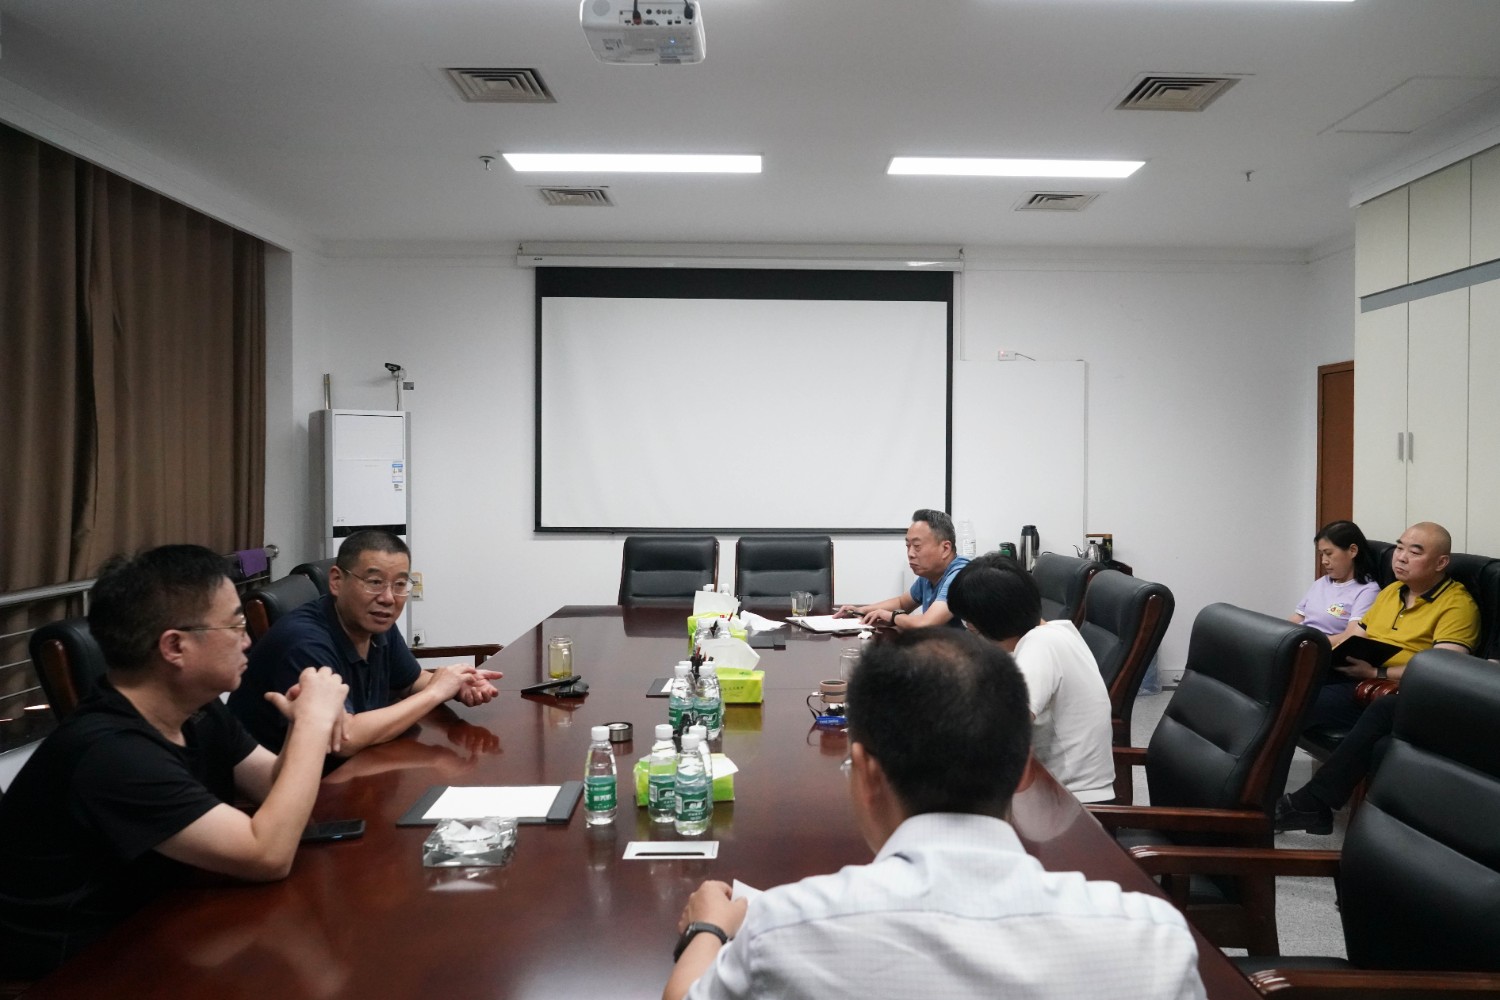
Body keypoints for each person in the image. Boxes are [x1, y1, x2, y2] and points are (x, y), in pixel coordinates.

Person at [662, 630, 1205, 1000]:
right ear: (1023, 769)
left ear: (866, 774)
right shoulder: (1154, 942)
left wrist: (710, 928)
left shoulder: (783, 931)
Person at [0, 545, 350, 978]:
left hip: (167, 921)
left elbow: (272, 787)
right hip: (77, 967)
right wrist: (315, 722)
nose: (247, 641)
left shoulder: (198, 709)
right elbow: (267, 855)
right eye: (235, 625)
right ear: (175, 646)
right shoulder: (111, 753)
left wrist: (301, 727)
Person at [1277, 521, 1480, 834]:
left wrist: (1377, 672)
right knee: (1282, 687)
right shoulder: (1391, 592)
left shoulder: (1457, 605)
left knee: (1298, 706)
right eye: (1399, 547)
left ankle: (1307, 804)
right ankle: (1249, 789)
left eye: (1415, 552)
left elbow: (1443, 670)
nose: (1401, 557)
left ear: (1441, 562)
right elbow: (1357, 635)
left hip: (1398, 693)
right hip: (1358, 678)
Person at [228, 530, 501, 762]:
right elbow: (343, 738)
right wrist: (435, 693)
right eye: (374, 582)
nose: (388, 598)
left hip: (359, 767)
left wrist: (456, 685)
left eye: (400, 584)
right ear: (337, 581)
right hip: (287, 787)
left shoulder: (375, 621)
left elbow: (409, 682)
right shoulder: (303, 642)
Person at [947, 552, 1116, 802]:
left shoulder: (1041, 645)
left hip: (1073, 804)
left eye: (972, 628)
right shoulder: (1056, 630)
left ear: (993, 625)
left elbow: (999, 732)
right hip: (1052, 791)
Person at [836, 509, 969, 629]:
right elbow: (902, 603)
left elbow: (926, 623)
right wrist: (862, 610)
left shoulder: (960, 575)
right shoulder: (930, 574)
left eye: (917, 546)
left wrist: (893, 617)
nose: (910, 554)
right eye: (908, 546)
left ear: (945, 549)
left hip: (965, 648)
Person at [1290, 520, 1380, 636]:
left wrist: (1312, 643)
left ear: (1352, 551)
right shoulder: (1321, 583)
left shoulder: (1368, 591)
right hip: (1302, 641)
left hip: (1326, 645)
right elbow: (1297, 618)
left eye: (1329, 553)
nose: (1324, 561)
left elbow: (1351, 635)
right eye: (1321, 554)